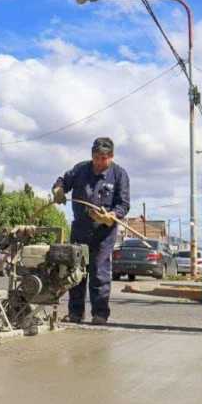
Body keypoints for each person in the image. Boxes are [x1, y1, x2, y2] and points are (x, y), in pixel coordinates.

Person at [52, 137, 130, 325]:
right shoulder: (80, 169)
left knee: (99, 272)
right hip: (80, 229)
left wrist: (110, 216)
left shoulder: (119, 175)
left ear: (111, 157)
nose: (99, 162)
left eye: (103, 158)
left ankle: (100, 314)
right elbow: (63, 181)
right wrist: (58, 190)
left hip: (103, 232)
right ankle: (75, 313)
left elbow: (124, 204)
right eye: (96, 157)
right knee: (76, 271)